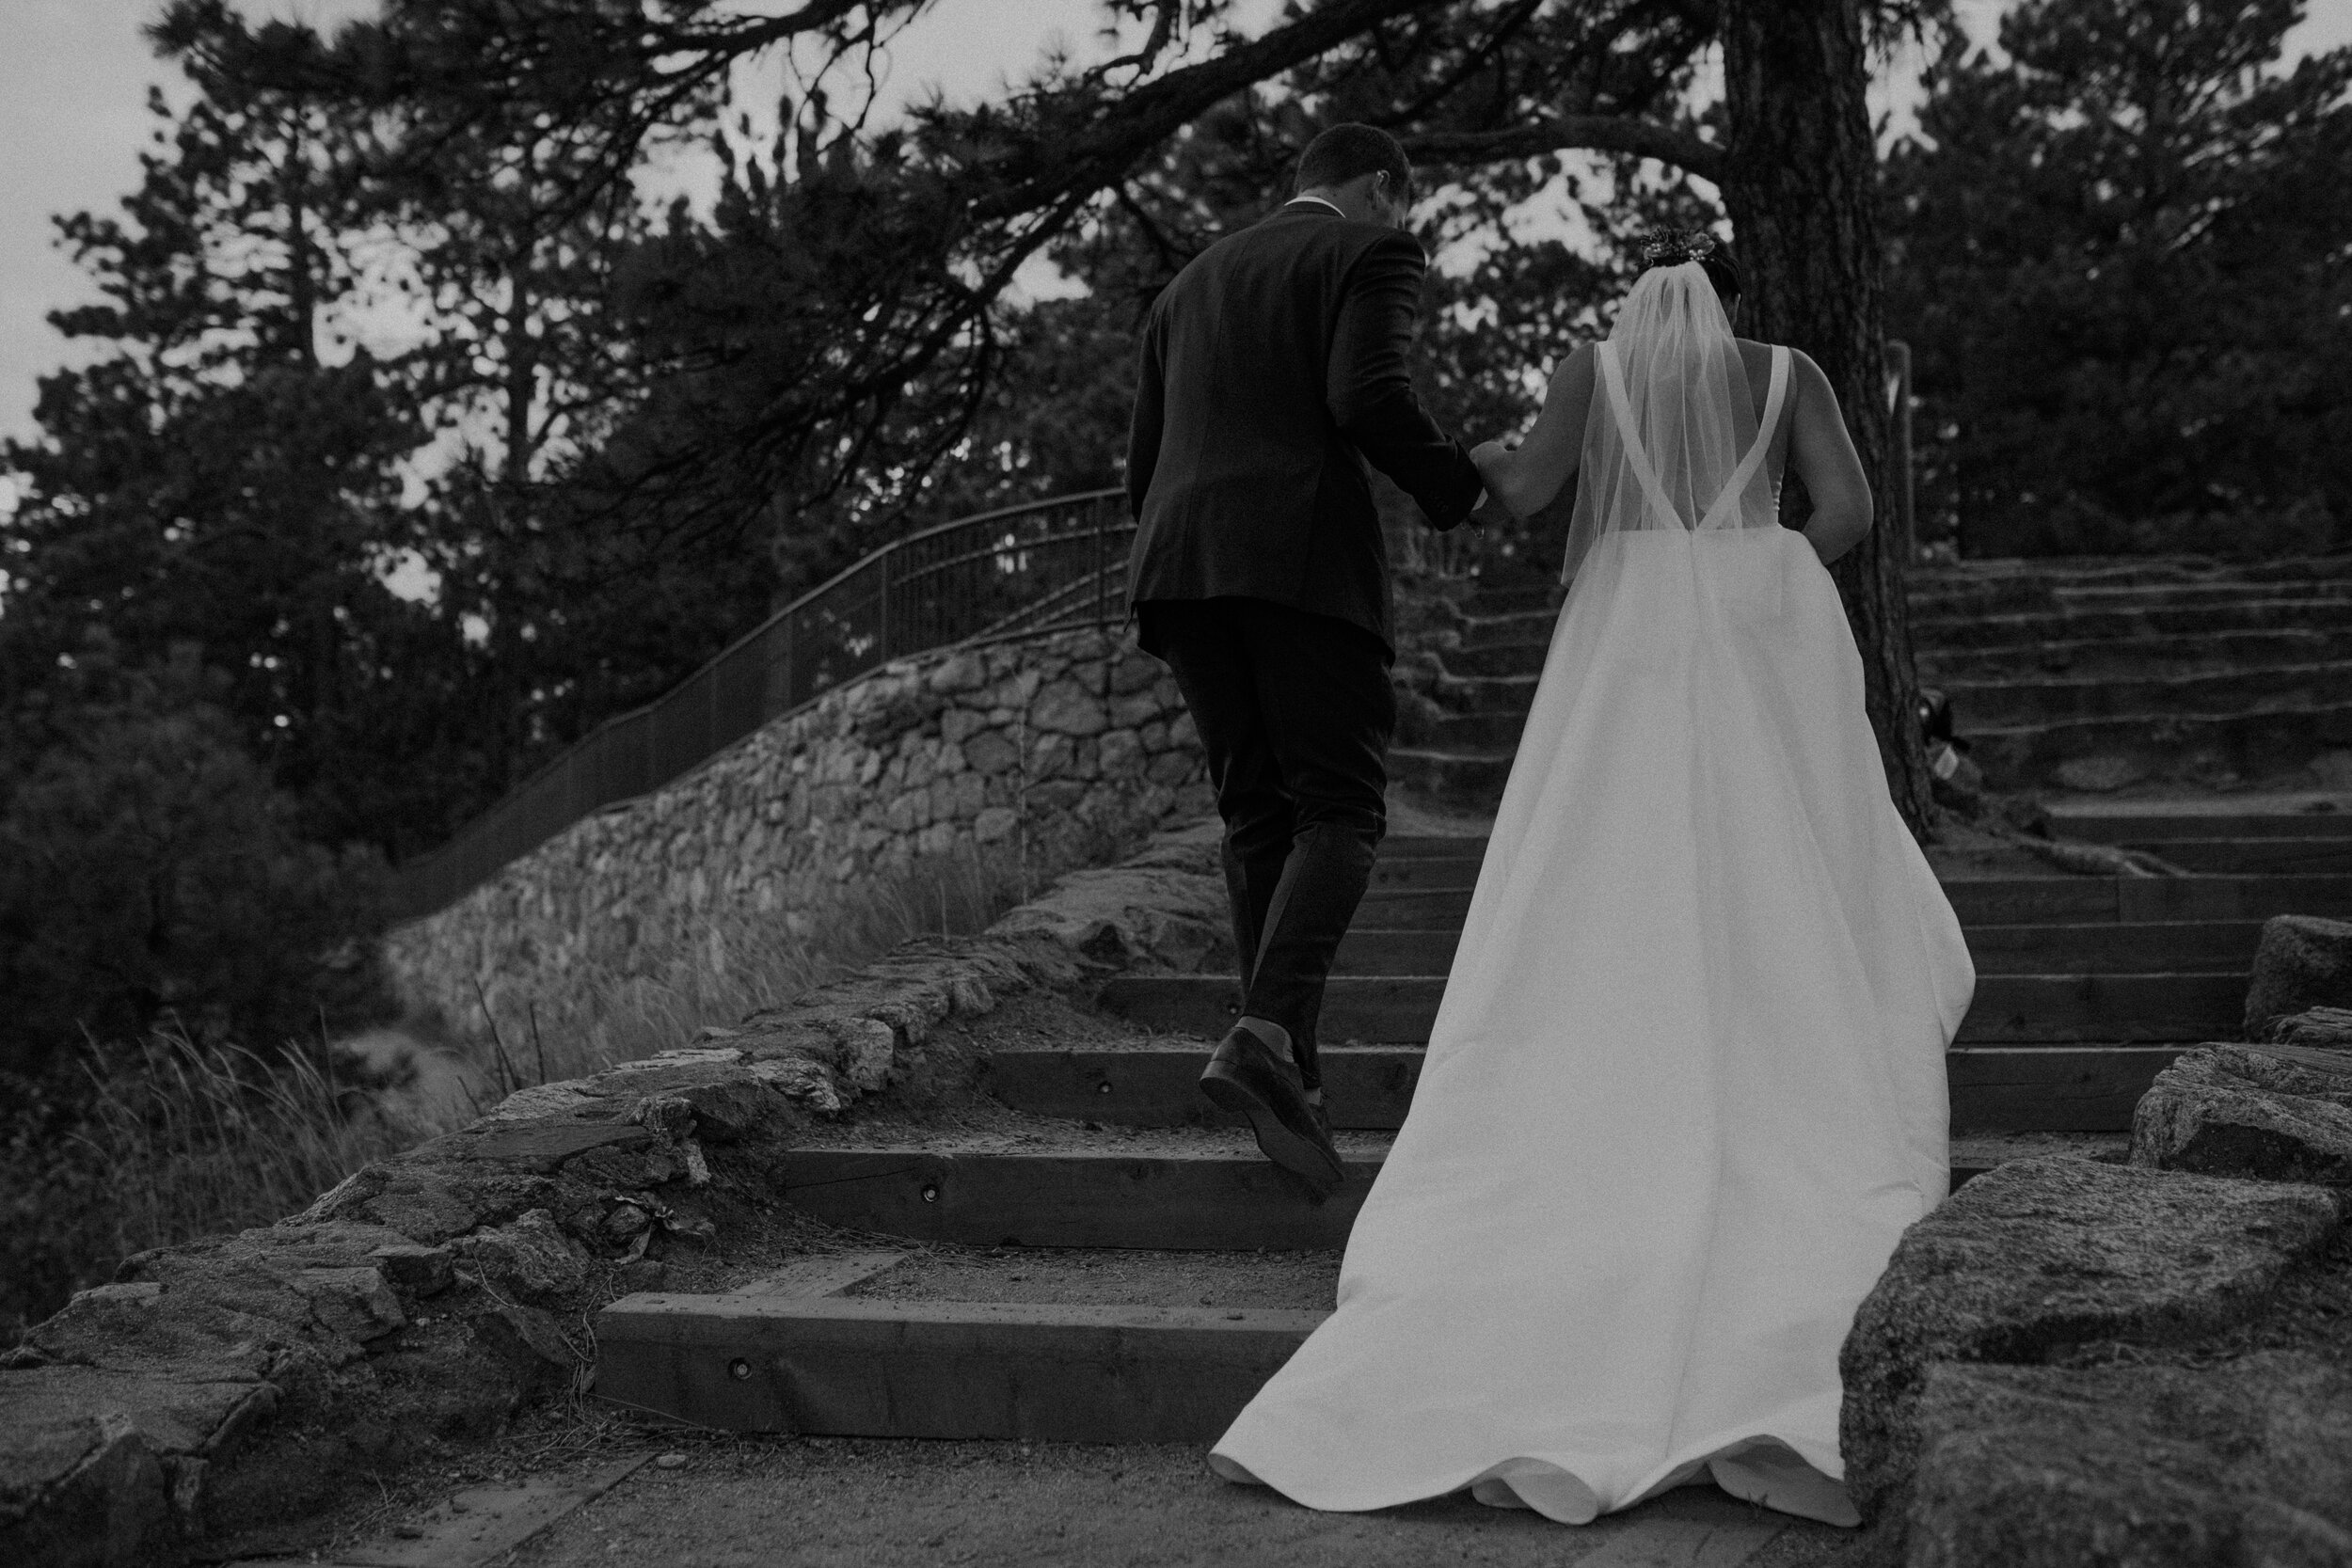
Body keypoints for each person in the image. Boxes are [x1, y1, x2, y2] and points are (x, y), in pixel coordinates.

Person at [1206, 231, 1976, 1526]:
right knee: (1777, 866)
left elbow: (1520, 491)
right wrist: (1761, 569)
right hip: (1751, 636)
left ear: (1641, 310)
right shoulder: (1787, 370)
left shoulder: (1593, 370)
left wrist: (1449, 459)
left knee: (1601, 874)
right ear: (1732, 302)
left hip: (1625, 644)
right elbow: (1847, 511)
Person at [1124, 123, 1486, 1198]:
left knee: (1256, 817)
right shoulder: (1370, 252)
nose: (1403, 226)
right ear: (1383, 187)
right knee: (1341, 807)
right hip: (1297, 559)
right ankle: (1268, 1031)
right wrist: (1456, 486)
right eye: (1403, 206)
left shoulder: (1187, 283)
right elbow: (1364, 395)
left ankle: (1297, 1083)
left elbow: (1140, 465)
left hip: (1179, 568)